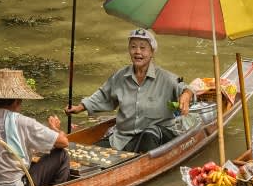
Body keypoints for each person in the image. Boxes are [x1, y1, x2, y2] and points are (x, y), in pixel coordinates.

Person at [64, 28, 194, 153]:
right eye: (133, 47)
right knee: (91, 153)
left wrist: (186, 95)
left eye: (143, 48)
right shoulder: (120, 76)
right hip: (122, 138)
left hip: (155, 138)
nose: (138, 52)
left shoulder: (166, 78)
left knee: (149, 134)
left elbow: (186, 89)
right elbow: (103, 95)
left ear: (152, 52)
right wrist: (80, 107)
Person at [0, 69, 70, 186]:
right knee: (61, 155)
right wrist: (54, 128)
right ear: (17, 100)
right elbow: (64, 142)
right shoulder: (24, 122)